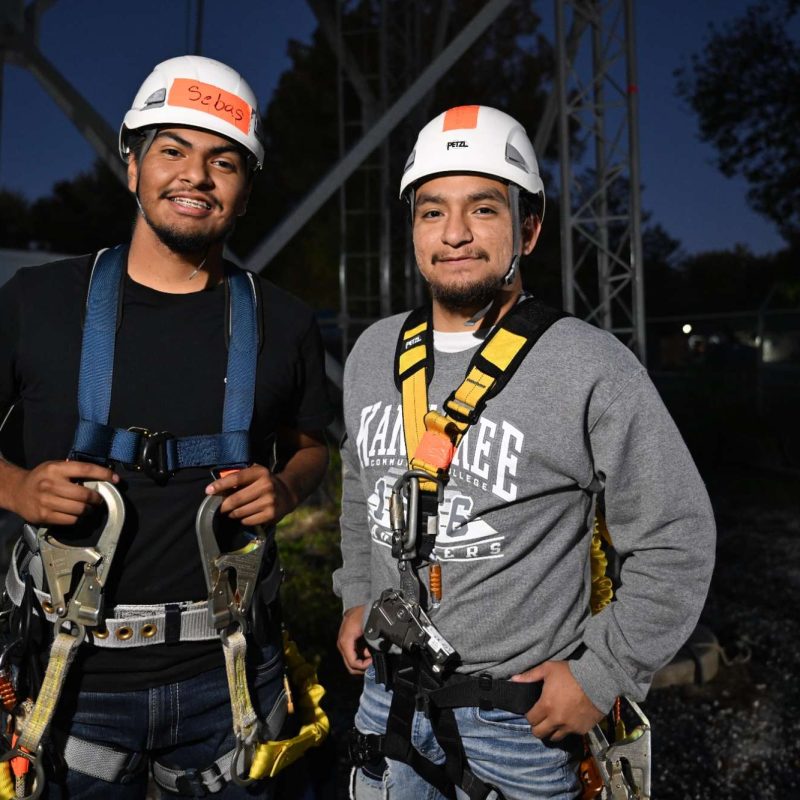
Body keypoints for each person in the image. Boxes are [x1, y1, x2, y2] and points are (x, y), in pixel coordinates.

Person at [333, 105, 716, 799]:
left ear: (529, 227)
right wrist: (357, 595)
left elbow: (678, 537)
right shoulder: (371, 354)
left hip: (520, 725)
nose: (454, 234)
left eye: (482, 209)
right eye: (431, 212)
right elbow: (361, 484)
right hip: (386, 704)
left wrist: (601, 675)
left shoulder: (588, 366)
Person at [0, 55, 332, 798]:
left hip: (230, 677)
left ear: (245, 191)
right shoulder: (36, 303)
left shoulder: (283, 321)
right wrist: (19, 487)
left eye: (223, 161)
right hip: (70, 676)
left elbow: (316, 447)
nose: (196, 176)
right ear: (132, 167)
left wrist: (286, 484)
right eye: (172, 151)